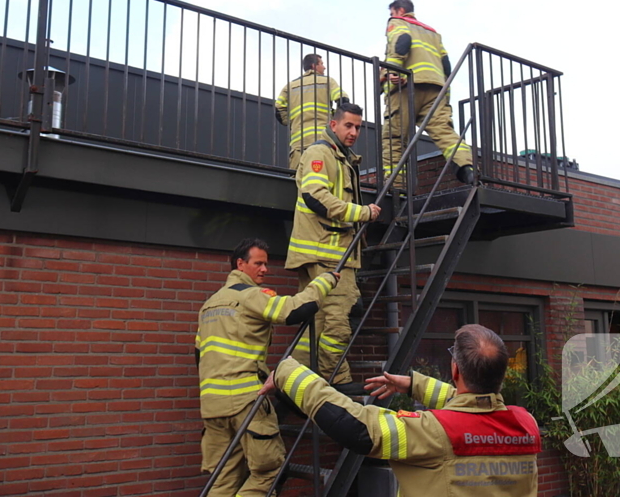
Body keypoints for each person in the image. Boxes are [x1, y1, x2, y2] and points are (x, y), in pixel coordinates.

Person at [261, 324, 541, 497]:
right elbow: (475, 405)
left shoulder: (435, 431)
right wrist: (414, 385)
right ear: (502, 374)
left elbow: (356, 427)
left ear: (455, 369)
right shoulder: (525, 423)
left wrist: (288, 372)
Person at [196, 238, 341, 497]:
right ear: (240, 264)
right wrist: (324, 281)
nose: (265, 269)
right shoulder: (251, 295)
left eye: (266, 263)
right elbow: (294, 310)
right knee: (269, 472)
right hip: (245, 400)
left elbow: (199, 353)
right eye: (258, 263)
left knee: (222, 478)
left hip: (211, 405)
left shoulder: (209, 305)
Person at [285, 103, 380, 393]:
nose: (353, 132)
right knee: (342, 316)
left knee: (318, 321)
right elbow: (315, 196)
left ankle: (292, 383)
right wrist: (361, 212)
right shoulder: (320, 153)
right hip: (327, 253)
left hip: (330, 251)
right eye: (348, 125)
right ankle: (334, 380)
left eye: (358, 127)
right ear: (333, 124)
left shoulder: (341, 157)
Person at [381, 0, 474, 188]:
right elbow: (446, 64)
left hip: (406, 87)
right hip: (436, 88)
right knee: (444, 131)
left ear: (399, 11)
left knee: (395, 137)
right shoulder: (432, 33)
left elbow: (401, 42)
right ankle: (467, 168)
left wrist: (393, 73)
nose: (390, 17)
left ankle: (396, 186)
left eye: (391, 13)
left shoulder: (398, 23)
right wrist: (446, 92)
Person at [275, 53, 350, 170]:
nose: (324, 67)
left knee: (297, 180)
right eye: (322, 64)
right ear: (314, 66)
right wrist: (335, 120)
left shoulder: (290, 86)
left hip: (298, 144)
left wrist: (292, 122)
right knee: (322, 177)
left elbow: (279, 110)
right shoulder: (328, 81)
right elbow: (343, 101)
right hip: (322, 140)